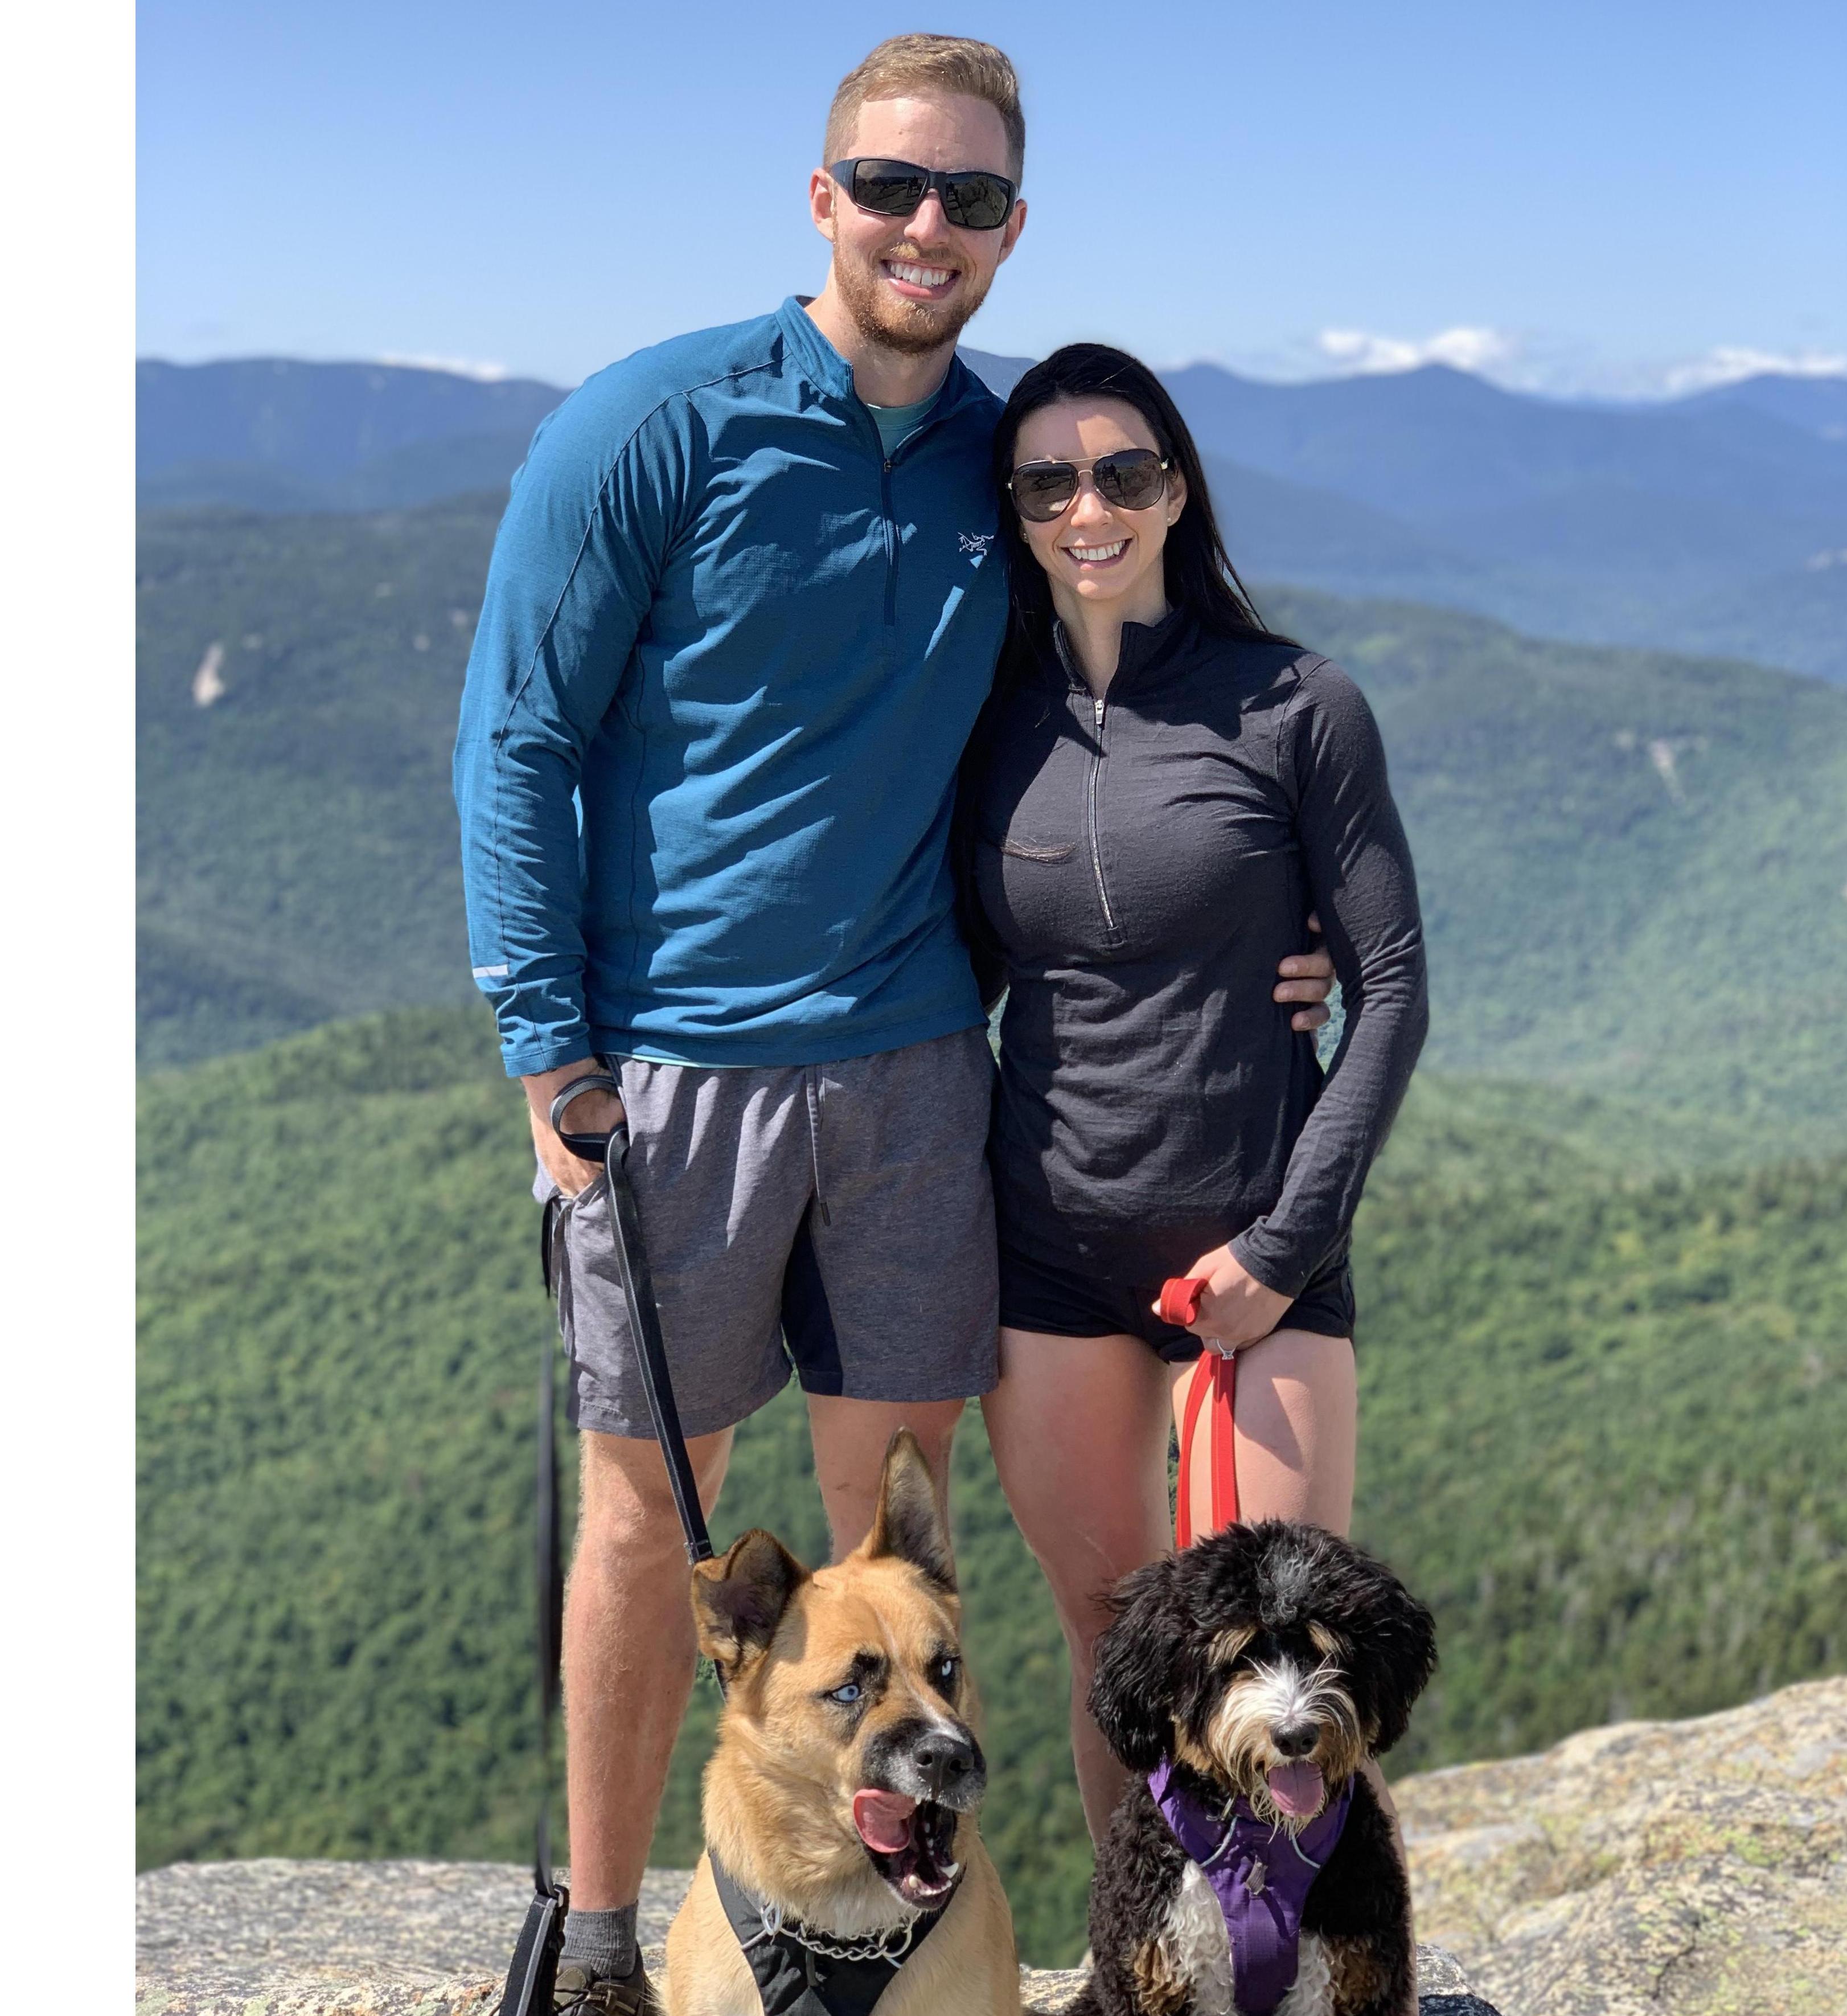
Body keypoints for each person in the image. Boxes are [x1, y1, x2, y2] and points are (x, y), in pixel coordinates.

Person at [452, 40, 1335, 2014]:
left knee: (893, 1562)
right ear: (820, 196)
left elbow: (1151, 699)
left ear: (1016, 228)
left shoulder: (1021, 461)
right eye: (888, 186)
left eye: (969, 199)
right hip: (664, 1070)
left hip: (927, 1064)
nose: (924, 227)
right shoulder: (648, 425)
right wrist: (544, 1039)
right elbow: (517, 734)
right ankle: (604, 1938)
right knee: (639, 1517)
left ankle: (897, 1938)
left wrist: (1282, 932)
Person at [966, 343, 1430, 1868]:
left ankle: (1294, 1966)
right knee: (1123, 1661)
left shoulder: (1296, 704)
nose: (1085, 506)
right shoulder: (987, 723)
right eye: (1046, 480)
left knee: (1287, 1658)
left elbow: (1392, 992)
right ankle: (1143, 1969)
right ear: (1015, 509)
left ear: (1175, 490)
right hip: (1047, 1259)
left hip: (1263, 1254)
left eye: (1122, 473)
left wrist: (1286, 1248)